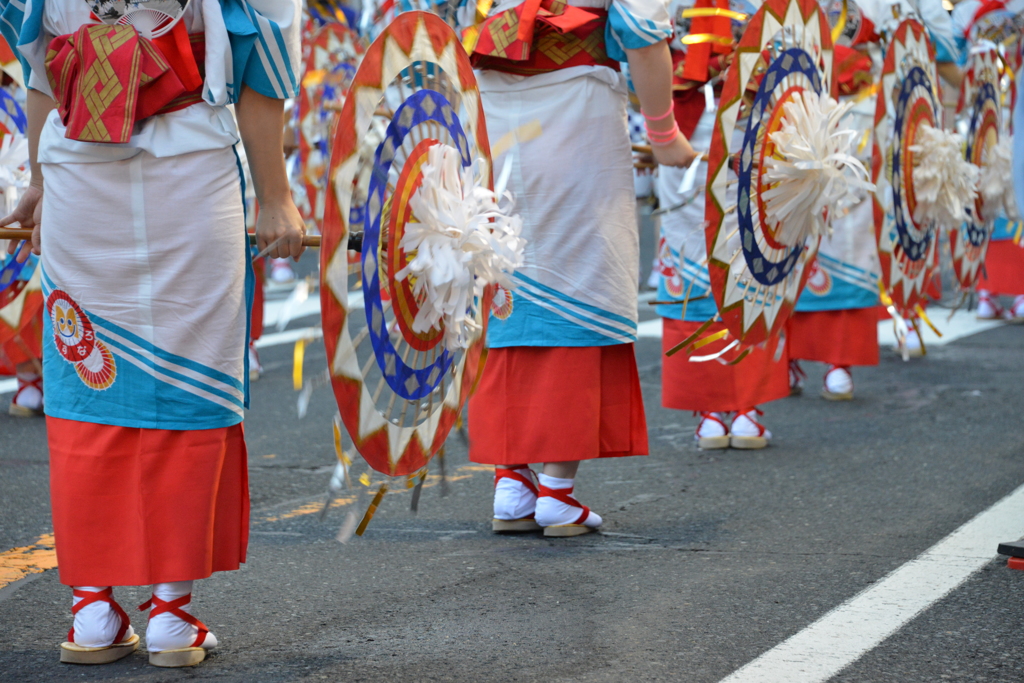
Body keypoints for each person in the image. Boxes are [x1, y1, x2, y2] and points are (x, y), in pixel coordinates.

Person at [2, 0, 303, 666]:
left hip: (83, 167)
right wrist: (275, 191)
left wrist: (44, 177)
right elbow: (259, 49)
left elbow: (42, 62)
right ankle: (169, 609)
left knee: (90, 382)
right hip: (185, 164)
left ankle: (93, 607)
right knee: (185, 376)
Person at [465, 0, 696, 535]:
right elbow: (641, 27)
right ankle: (555, 490)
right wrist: (663, 134)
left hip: (491, 107)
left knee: (505, 281)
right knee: (581, 280)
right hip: (573, 106)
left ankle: (511, 481)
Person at [654, 0, 788, 450]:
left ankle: (711, 413)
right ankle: (747, 411)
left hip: (681, 118)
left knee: (692, 250)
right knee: (753, 249)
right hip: (752, 114)